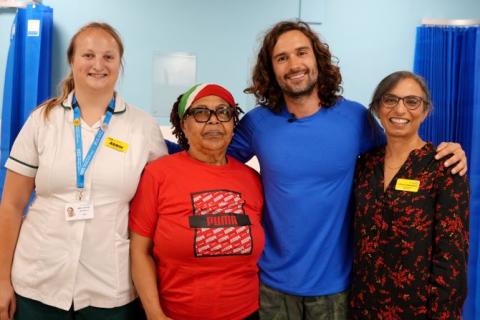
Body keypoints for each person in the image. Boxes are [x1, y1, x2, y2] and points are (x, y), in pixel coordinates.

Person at [226, 20, 468, 319]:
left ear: (317, 58)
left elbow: (399, 149)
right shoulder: (257, 124)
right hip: (272, 286)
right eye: (282, 57)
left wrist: (448, 151)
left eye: (302, 52)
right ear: (271, 69)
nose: (294, 64)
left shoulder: (354, 118)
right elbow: (212, 161)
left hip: (337, 289)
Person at [0, 22, 167, 320]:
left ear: (119, 63)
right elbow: (11, 206)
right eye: (88, 55)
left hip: (110, 287)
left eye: (108, 57)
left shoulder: (143, 128)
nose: (98, 65)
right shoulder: (42, 120)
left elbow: (154, 217)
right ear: (72, 61)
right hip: (38, 282)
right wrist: (1, 280)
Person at [129, 83, 265, 320]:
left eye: (223, 112)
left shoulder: (252, 180)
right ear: (183, 124)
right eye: (201, 113)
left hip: (247, 314)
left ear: (233, 124)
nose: (214, 121)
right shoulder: (158, 174)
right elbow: (139, 252)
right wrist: (154, 314)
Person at [349, 71, 469, 319]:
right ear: (377, 109)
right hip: (362, 306)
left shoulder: (443, 168)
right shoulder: (365, 165)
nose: (400, 109)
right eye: (390, 100)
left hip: (417, 311)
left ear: (425, 111)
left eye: (411, 101)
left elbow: (452, 258)